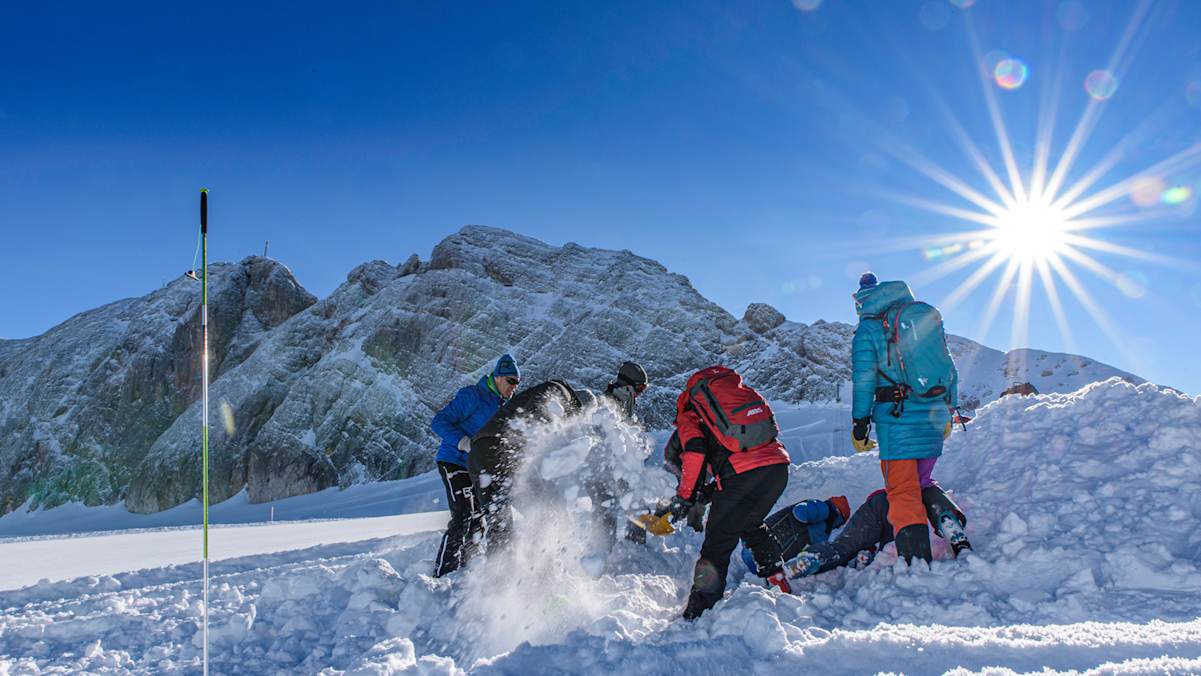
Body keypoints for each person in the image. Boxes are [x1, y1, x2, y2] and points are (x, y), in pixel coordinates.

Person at [850, 272, 962, 566]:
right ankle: (953, 528)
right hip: (934, 413)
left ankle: (916, 560)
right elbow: (949, 366)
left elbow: (863, 381)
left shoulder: (868, 329)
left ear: (862, 301)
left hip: (896, 417)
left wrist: (860, 424)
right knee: (923, 482)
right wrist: (949, 409)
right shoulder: (920, 316)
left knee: (903, 490)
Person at [665, 365, 792, 620]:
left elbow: (696, 454)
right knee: (750, 523)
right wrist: (711, 490)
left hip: (743, 475)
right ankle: (777, 578)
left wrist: (685, 496)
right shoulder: (734, 402)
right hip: (778, 469)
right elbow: (741, 456)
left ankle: (698, 613)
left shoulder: (689, 416)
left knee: (717, 544)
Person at [467, 379, 585, 555]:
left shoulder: (545, 394)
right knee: (545, 513)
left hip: (478, 456)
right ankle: (544, 567)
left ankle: (497, 575)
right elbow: (539, 410)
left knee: (499, 522)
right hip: (499, 451)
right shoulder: (558, 389)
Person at [429, 354, 520, 577]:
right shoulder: (473, 396)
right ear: (498, 378)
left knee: (479, 518)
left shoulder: (505, 408)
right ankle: (442, 575)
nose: (514, 387)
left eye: (517, 383)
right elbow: (438, 422)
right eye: (511, 381)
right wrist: (463, 442)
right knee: (463, 515)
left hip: (479, 468)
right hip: (454, 461)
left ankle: (466, 572)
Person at [784, 485, 970, 579]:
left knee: (843, 546)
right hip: (909, 506)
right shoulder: (929, 488)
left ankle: (813, 559)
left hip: (878, 502)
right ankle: (872, 556)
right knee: (890, 547)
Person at [739, 496, 850, 578]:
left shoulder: (825, 527)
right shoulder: (823, 508)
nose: (838, 527)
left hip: (760, 560)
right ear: (839, 514)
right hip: (757, 550)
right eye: (841, 523)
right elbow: (799, 512)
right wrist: (801, 536)